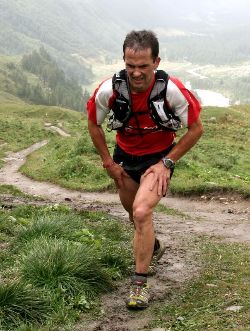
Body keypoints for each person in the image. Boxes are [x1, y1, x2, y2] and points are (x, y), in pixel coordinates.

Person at [87, 30, 203, 309]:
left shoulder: (173, 91)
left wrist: (167, 163)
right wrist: (108, 162)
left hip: (158, 159)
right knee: (134, 217)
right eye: (130, 66)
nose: (136, 73)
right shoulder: (109, 90)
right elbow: (93, 124)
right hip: (124, 159)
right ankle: (153, 248)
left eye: (143, 66)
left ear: (157, 62)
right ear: (123, 61)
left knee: (141, 212)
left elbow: (196, 129)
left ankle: (139, 285)